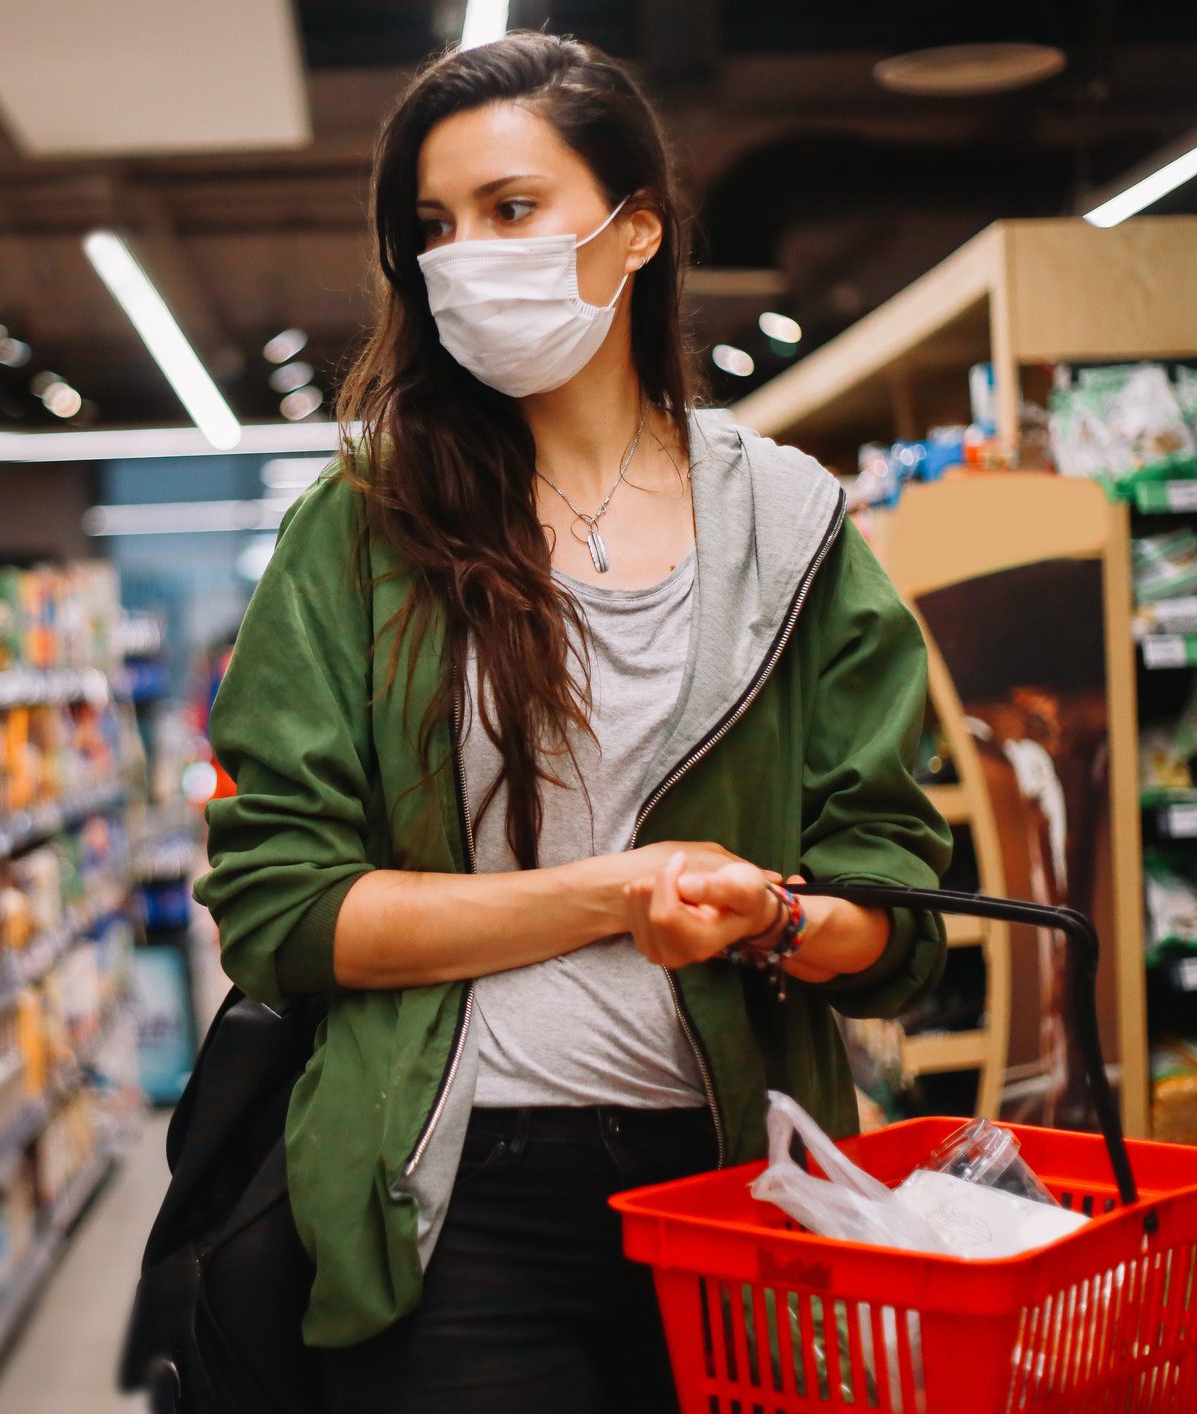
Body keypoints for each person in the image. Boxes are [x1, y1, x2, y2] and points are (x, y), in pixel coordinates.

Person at [193, 31, 951, 1414]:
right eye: (433, 226)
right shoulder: (362, 527)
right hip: (443, 1193)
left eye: (511, 209)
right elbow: (280, 909)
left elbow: (894, 915)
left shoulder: (787, 527)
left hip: (738, 1191)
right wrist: (610, 893)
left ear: (635, 229)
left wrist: (773, 915)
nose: (464, 255)